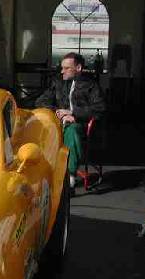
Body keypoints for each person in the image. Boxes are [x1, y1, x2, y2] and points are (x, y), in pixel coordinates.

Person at [36, 52, 105, 189]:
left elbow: (100, 109)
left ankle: (70, 176)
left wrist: (73, 114)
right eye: (62, 67)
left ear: (78, 68)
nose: (62, 71)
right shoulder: (59, 82)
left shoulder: (91, 85)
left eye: (67, 68)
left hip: (82, 124)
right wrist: (59, 113)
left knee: (72, 130)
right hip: (59, 122)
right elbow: (41, 101)